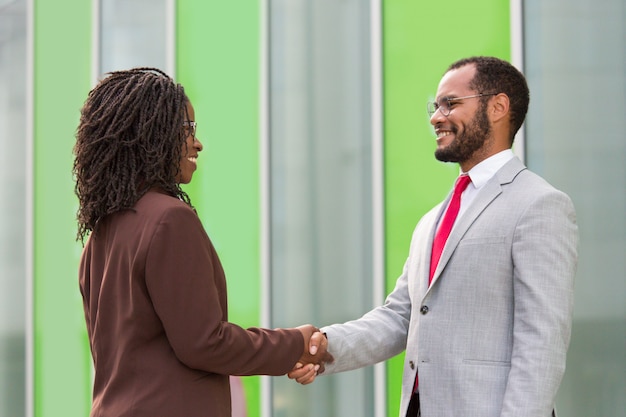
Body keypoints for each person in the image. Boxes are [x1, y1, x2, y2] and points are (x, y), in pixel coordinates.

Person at [289, 56, 578, 417]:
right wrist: (326, 346)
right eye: (435, 105)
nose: (436, 117)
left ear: (498, 107)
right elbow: (400, 317)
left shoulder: (539, 204)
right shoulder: (432, 220)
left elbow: (542, 342)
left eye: (451, 104)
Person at [73, 67, 332, 417]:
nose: (197, 142)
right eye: (187, 129)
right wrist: (295, 344)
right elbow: (204, 343)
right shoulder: (170, 219)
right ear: (152, 134)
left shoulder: (100, 237)